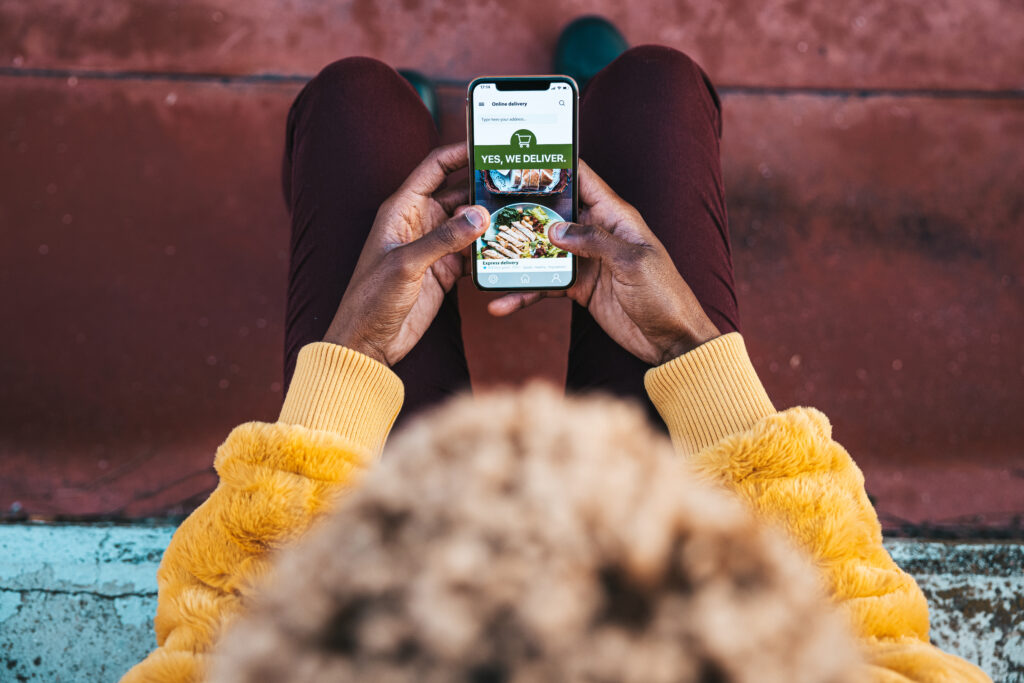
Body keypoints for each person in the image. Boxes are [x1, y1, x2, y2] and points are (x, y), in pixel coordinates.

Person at [119, 23, 990, 683]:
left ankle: (454, 124)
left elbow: (215, 643)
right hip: (659, 605)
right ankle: (595, 113)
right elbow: (869, 640)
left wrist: (349, 359)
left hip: (405, 615)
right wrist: (685, 345)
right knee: (658, 92)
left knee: (355, 109)